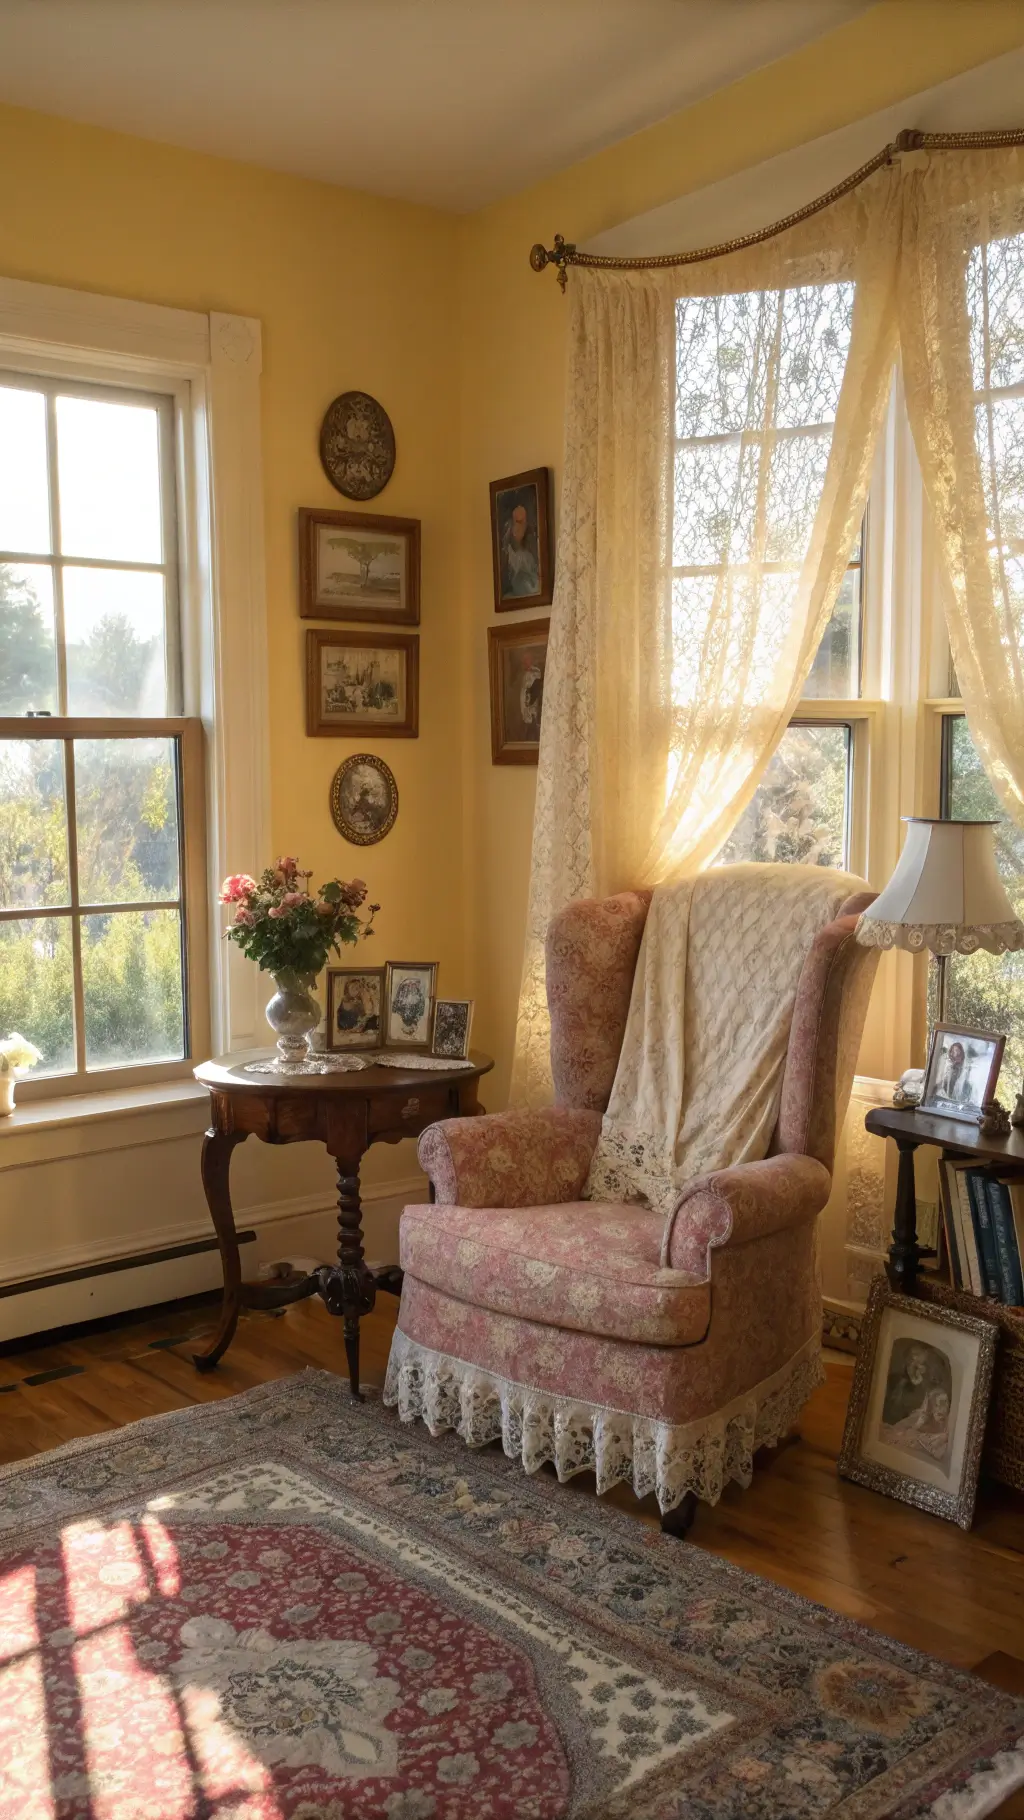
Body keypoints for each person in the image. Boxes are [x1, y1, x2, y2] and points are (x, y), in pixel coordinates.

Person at [501, 501, 540, 597]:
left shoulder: (531, 551)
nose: (521, 527)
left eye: (524, 522)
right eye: (518, 522)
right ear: (511, 524)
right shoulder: (506, 554)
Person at [934, 1038, 975, 1108]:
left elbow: (960, 1078)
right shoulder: (948, 1062)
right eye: (953, 1050)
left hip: (956, 1093)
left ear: (960, 1051)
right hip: (944, 1091)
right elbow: (943, 1077)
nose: (954, 1052)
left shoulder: (963, 1065)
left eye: (956, 1050)